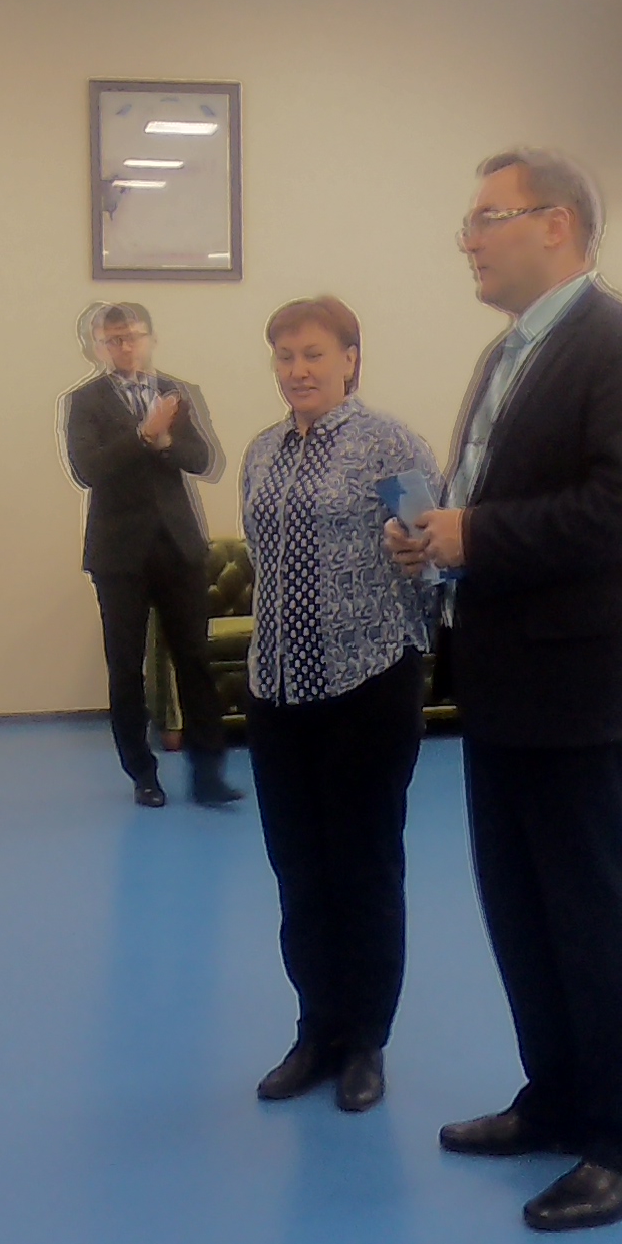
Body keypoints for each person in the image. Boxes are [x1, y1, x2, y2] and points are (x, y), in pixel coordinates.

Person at [388, 149, 622, 1233]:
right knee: (520, 906)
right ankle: (558, 1099)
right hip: (504, 672)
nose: (468, 239)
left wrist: (478, 534)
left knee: (589, 913)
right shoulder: (510, 352)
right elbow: (494, 493)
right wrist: (437, 536)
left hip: (581, 679)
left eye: (486, 217)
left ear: (556, 223)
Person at [238, 298, 441, 1114]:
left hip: (368, 682)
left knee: (363, 868)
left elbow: (434, 558)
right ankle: (316, 1031)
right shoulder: (262, 452)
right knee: (299, 870)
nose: (299, 370)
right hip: (277, 690)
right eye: (285, 356)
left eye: (315, 354)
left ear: (351, 358)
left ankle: (365, 1041)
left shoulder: (391, 443)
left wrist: (415, 562)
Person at [62, 302, 239, 808]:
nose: (126, 347)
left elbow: (203, 459)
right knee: (125, 666)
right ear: (97, 348)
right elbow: (87, 469)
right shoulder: (84, 402)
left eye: (134, 336)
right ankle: (143, 774)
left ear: (150, 338)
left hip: (178, 546)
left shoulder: (177, 393)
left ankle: (208, 774)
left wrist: (164, 442)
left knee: (194, 659)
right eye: (114, 339)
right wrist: (142, 435)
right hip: (118, 554)